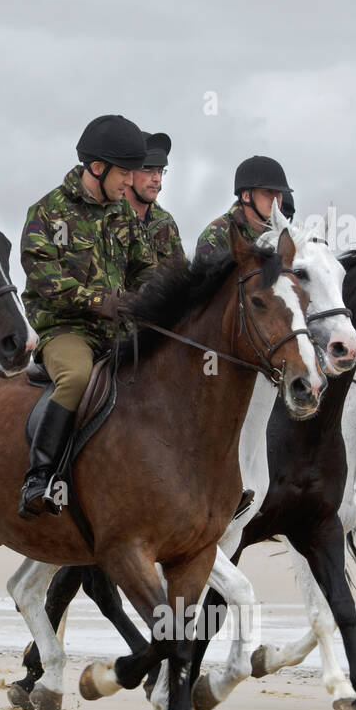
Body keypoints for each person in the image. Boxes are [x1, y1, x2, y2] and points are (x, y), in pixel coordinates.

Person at [18, 115, 164, 519]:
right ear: (97, 168)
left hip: (120, 330)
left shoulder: (124, 215)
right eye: (126, 172)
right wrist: (102, 301)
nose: (132, 181)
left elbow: (146, 268)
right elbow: (45, 280)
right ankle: (40, 476)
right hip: (67, 330)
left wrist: (150, 296)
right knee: (77, 377)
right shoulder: (47, 213)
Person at [195, 154, 292, 263]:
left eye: (279, 193)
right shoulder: (217, 235)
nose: (276, 199)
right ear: (246, 196)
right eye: (268, 192)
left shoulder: (279, 234)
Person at [124, 131, 185, 261]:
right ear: (129, 172)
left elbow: (181, 274)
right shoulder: (110, 218)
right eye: (148, 170)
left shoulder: (165, 222)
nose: (157, 178)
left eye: (160, 171)